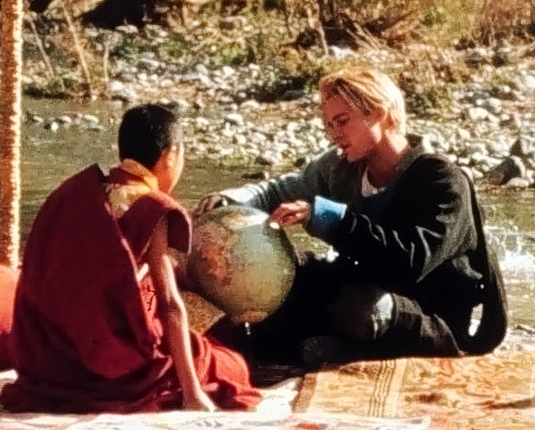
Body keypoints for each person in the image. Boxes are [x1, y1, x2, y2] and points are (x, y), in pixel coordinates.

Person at [197, 68, 507, 369]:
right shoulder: (342, 167)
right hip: (363, 284)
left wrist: (329, 219)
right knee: (283, 276)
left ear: (379, 113)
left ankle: (343, 350)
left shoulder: (442, 180)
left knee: (362, 309)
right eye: (330, 125)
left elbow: (409, 262)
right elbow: (278, 191)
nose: (335, 135)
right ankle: (314, 345)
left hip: (425, 308)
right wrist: (229, 201)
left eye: (343, 121)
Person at [0, 104, 260, 414]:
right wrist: (192, 393)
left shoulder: (80, 193)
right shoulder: (149, 205)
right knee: (231, 367)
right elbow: (170, 304)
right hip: (117, 369)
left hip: (52, 363)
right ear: (170, 156)